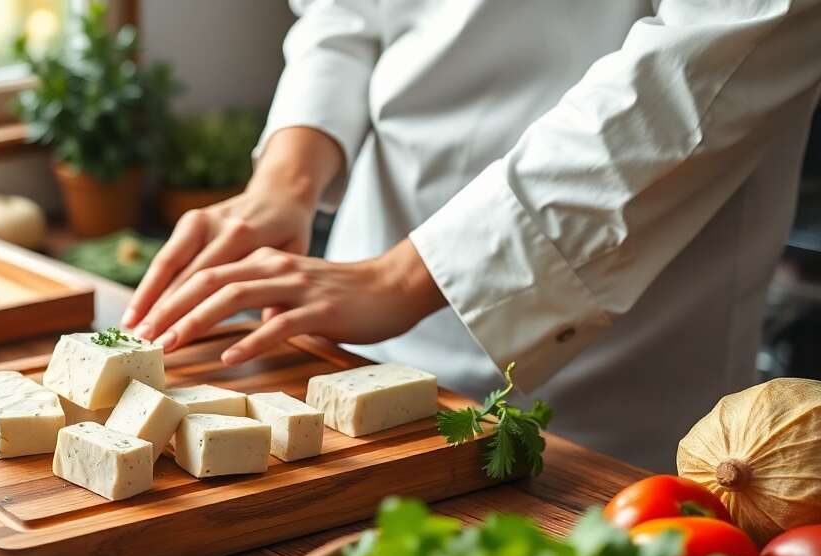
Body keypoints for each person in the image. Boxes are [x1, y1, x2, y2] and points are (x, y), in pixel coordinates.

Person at [122, 0, 821, 470]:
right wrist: (287, 179)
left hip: (617, 382)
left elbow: (723, 52)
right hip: (348, 335)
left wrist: (407, 277)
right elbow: (344, 10)